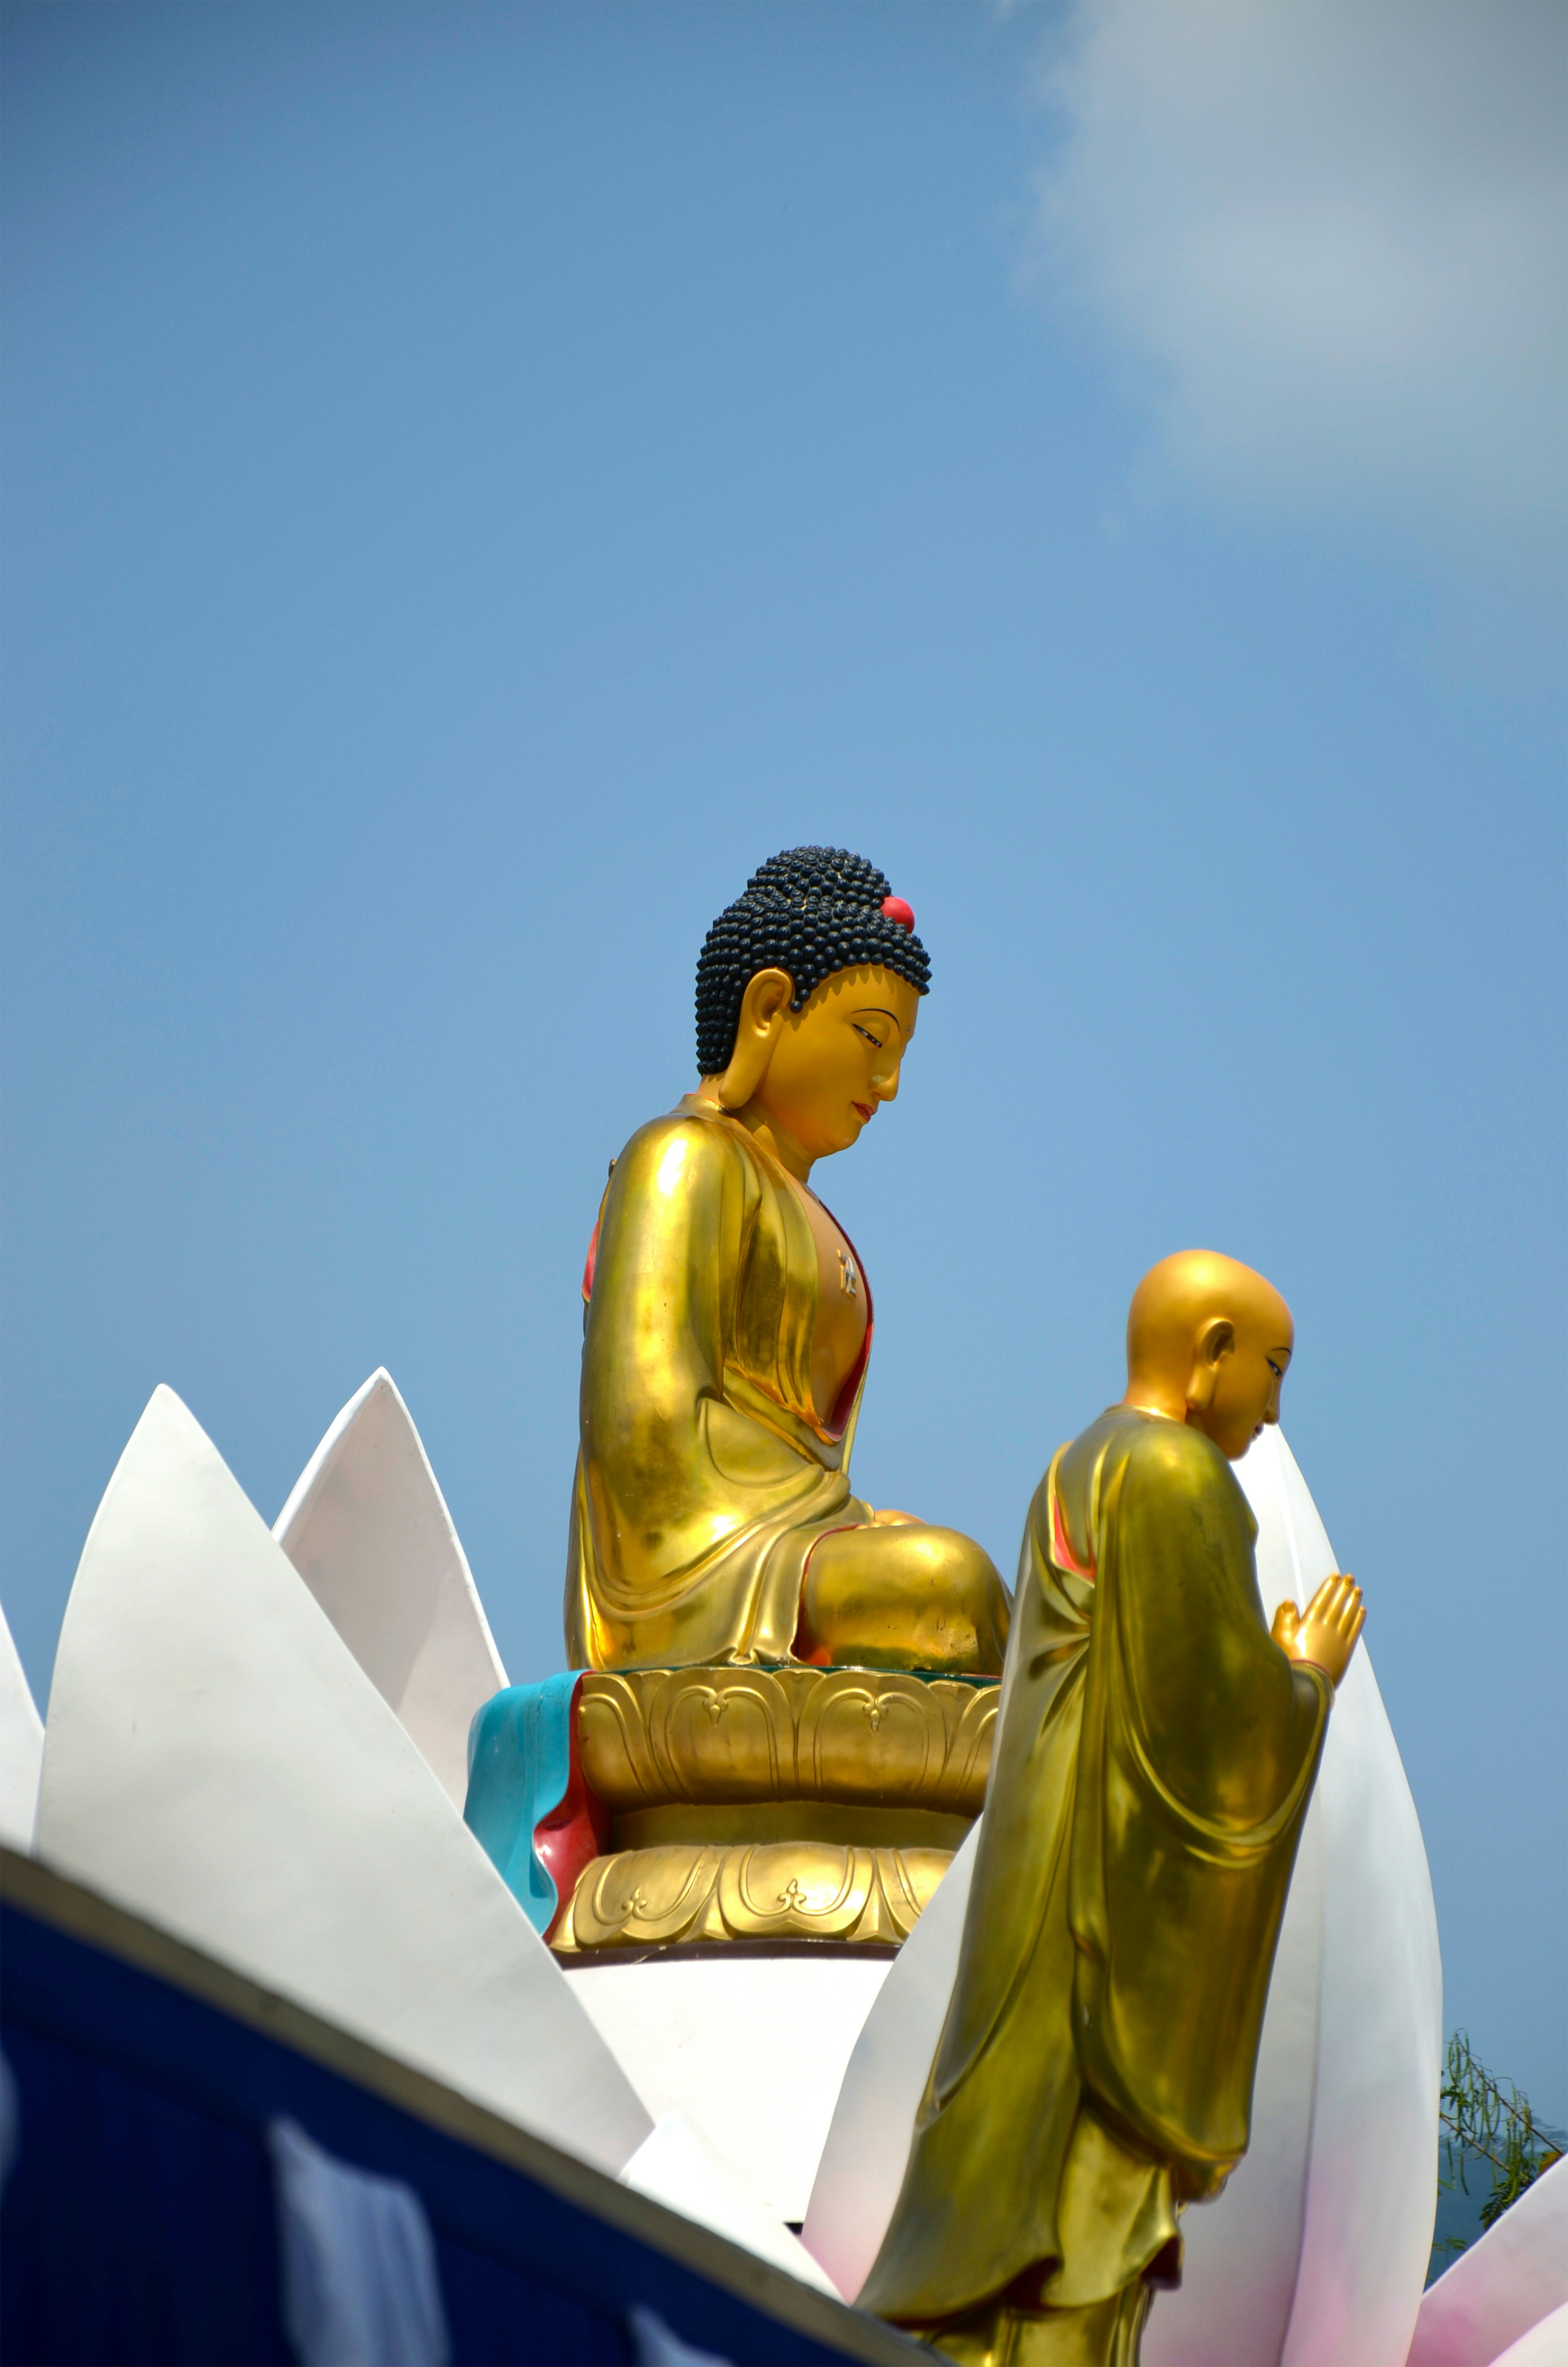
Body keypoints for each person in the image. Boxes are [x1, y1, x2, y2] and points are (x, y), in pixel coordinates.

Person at [859, 1249, 1365, 2367]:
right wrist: (1305, 1678)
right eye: (1270, 1370)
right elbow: (1211, 1724)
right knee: (1080, 2224)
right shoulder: (1177, 1476)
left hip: (1035, 1887)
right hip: (1102, 1930)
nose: (1274, 1409)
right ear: (1213, 1352)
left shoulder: (1076, 1463)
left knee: (1022, 2187)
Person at [564, 844, 1010, 1674]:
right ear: (769, 1009)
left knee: (992, 1625)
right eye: (873, 1038)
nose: (889, 1084)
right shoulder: (683, 1157)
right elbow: (646, 1431)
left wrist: (851, 1523)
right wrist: (845, 1518)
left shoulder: (802, 1208)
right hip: (700, 1570)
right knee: (952, 1584)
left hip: (791, 1543)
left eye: (901, 1052)